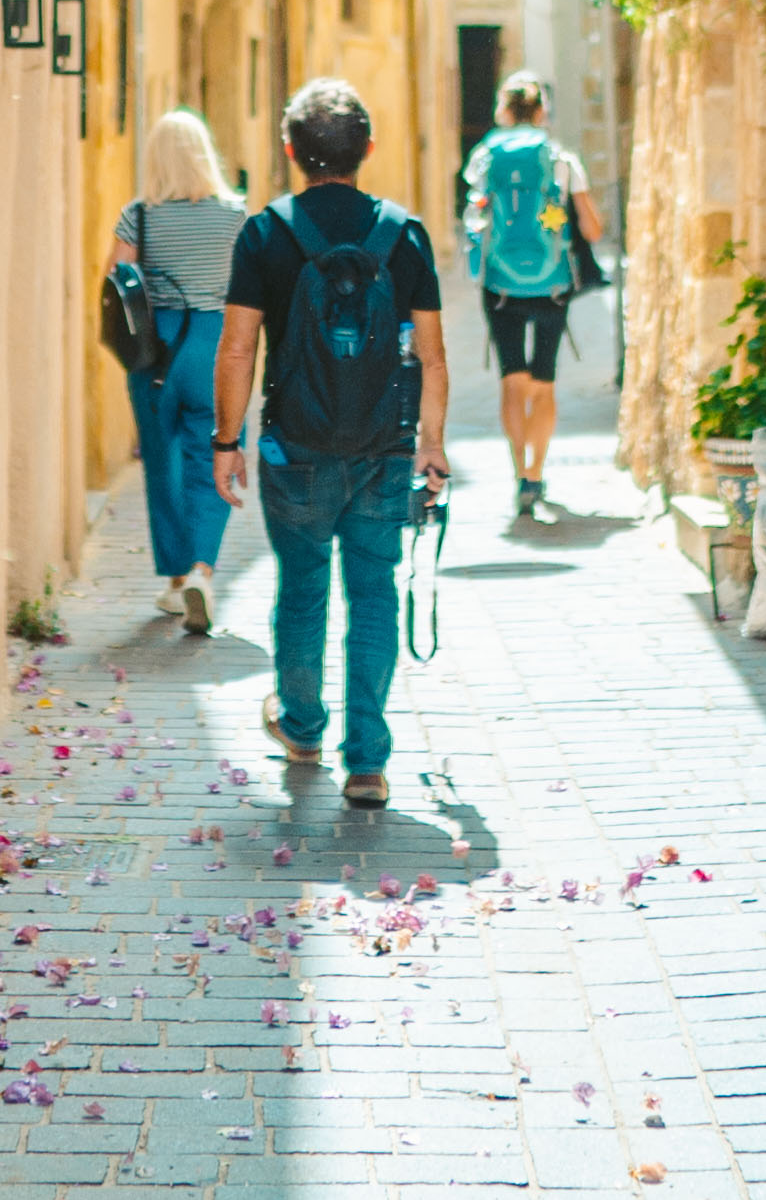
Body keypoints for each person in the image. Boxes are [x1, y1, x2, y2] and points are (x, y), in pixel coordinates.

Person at [212, 76, 448, 809]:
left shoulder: (266, 233)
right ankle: (368, 763)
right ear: (368, 149)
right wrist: (431, 445)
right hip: (384, 446)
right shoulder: (404, 235)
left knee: (304, 585)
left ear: (290, 151)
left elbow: (237, 348)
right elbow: (433, 356)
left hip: (296, 448)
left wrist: (228, 440)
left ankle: (303, 725)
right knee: (374, 590)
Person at [113, 110, 249, 632]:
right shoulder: (235, 215)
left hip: (156, 352)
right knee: (215, 450)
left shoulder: (138, 215)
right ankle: (202, 571)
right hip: (215, 344)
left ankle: (174, 580)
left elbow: (115, 281)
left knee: (161, 459)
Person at [462, 70, 603, 520]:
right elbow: (592, 228)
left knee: (512, 383)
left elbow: (474, 218)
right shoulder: (561, 158)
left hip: (501, 283)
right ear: (542, 109)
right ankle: (537, 474)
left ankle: (517, 473)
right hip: (552, 284)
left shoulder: (485, 157)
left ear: (503, 110)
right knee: (543, 384)